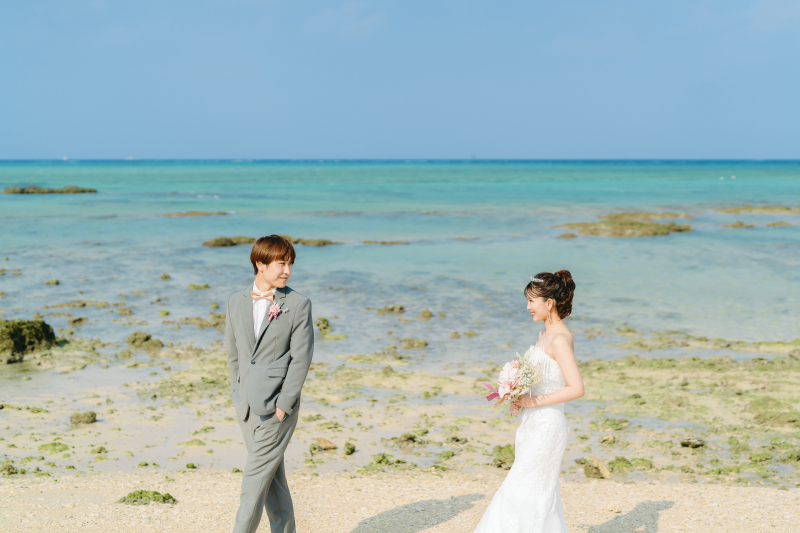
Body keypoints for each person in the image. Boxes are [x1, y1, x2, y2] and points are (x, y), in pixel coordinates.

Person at [473, 270, 584, 533]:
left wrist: (533, 401)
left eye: (532, 301)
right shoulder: (543, 336)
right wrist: (516, 394)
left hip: (547, 427)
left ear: (549, 303)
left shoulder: (560, 339)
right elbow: (541, 379)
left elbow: (576, 388)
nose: (527, 307)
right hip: (531, 425)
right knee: (532, 492)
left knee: (523, 491)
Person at [225, 235, 314, 533]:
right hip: (247, 408)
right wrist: (238, 397)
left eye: (290, 263)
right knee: (272, 483)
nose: (287, 270)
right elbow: (234, 355)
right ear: (259, 264)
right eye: (281, 263)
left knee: (252, 485)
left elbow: (301, 360)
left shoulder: (298, 304)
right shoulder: (235, 302)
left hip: (277, 409)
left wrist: (283, 406)